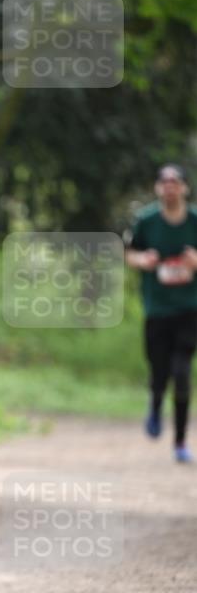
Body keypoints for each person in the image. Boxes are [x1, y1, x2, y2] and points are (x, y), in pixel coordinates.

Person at [126, 164, 197, 463]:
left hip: (189, 309)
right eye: (164, 182)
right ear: (158, 188)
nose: (169, 187)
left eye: (175, 182)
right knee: (159, 373)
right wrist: (144, 259)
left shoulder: (195, 221)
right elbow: (129, 254)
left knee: (182, 372)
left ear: (184, 188)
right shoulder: (146, 220)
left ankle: (180, 441)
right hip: (156, 309)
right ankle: (155, 406)